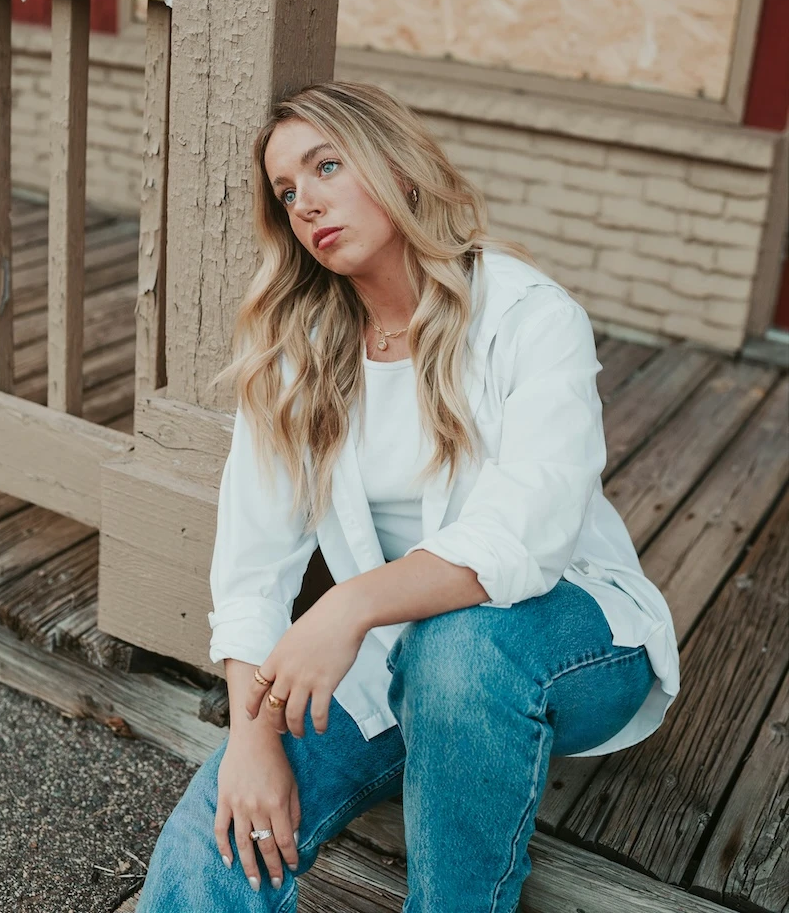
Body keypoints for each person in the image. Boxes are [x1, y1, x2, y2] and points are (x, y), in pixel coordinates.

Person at [137, 81, 680, 912]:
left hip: (574, 639)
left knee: (458, 649)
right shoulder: (295, 357)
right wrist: (251, 736)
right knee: (219, 830)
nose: (306, 202)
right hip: (395, 658)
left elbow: (524, 535)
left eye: (326, 166)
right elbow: (252, 568)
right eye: (286, 192)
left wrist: (348, 605)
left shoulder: (529, 315)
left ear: (396, 166)